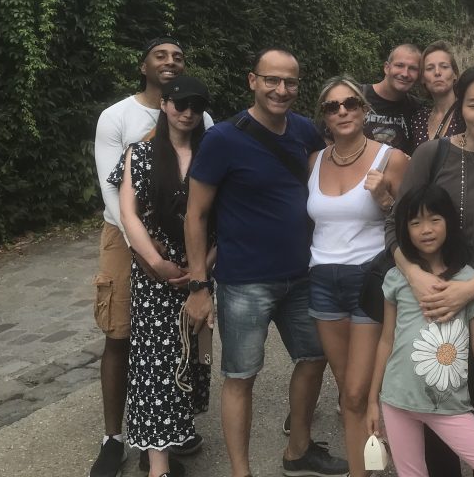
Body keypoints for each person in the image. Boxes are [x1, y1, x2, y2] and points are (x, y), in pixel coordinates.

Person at [183, 48, 347, 477]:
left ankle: (298, 450)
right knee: (240, 377)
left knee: (315, 358)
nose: (281, 90)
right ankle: (242, 472)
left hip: (302, 275)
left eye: (290, 82)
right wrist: (199, 286)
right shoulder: (222, 138)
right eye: (272, 80)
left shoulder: (306, 131)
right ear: (252, 80)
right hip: (244, 280)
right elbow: (196, 213)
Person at [91, 37, 211, 477]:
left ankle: (165, 434)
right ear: (144, 66)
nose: (170, 62)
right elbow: (114, 191)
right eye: (160, 55)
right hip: (130, 237)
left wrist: (203, 264)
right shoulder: (118, 117)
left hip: (190, 252)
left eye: (178, 56)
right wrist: (148, 255)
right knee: (123, 335)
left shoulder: (204, 131)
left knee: (187, 347)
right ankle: (115, 437)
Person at [387, 65, 474, 473]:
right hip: (432, 294)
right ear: (460, 106)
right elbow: (396, 225)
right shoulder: (433, 153)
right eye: (472, 104)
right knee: (434, 393)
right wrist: (414, 274)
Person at [367, 184, 474, 477]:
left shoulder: (468, 281)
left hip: (451, 405)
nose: (426, 229)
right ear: (405, 229)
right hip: (397, 400)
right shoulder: (398, 279)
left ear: (449, 222)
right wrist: (373, 400)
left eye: (435, 219)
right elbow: (386, 340)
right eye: (415, 222)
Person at [307, 76, 408, 477]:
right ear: (325, 117)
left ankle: (395, 458)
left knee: (358, 390)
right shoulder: (314, 161)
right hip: (322, 283)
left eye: (351, 103)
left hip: (369, 280)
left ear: (365, 109)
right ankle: (359, 469)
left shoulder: (392, 158)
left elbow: (415, 223)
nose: (343, 111)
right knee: (348, 393)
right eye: (333, 107)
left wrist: (385, 197)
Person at [362, 44, 423, 155]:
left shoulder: (417, 110)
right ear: (387, 68)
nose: (405, 74)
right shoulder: (358, 96)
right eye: (399, 65)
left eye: (413, 68)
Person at [410, 41, 465, 149]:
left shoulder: (466, 113)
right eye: (430, 68)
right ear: (422, 78)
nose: (437, 72)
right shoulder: (419, 118)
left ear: (455, 74)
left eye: (444, 66)